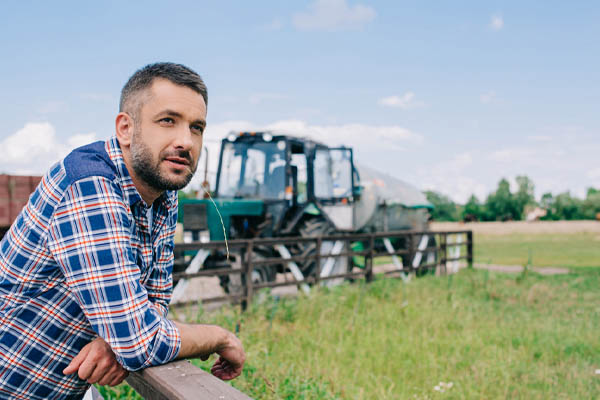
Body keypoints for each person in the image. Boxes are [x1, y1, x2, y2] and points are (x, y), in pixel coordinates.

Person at [0, 63, 245, 399]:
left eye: (197, 127)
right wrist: (221, 337)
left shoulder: (162, 195)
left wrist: (112, 340)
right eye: (167, 121)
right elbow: (138, 341)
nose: (185, 141)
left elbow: (154, 303)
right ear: (125, 129)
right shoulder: (92, 186)